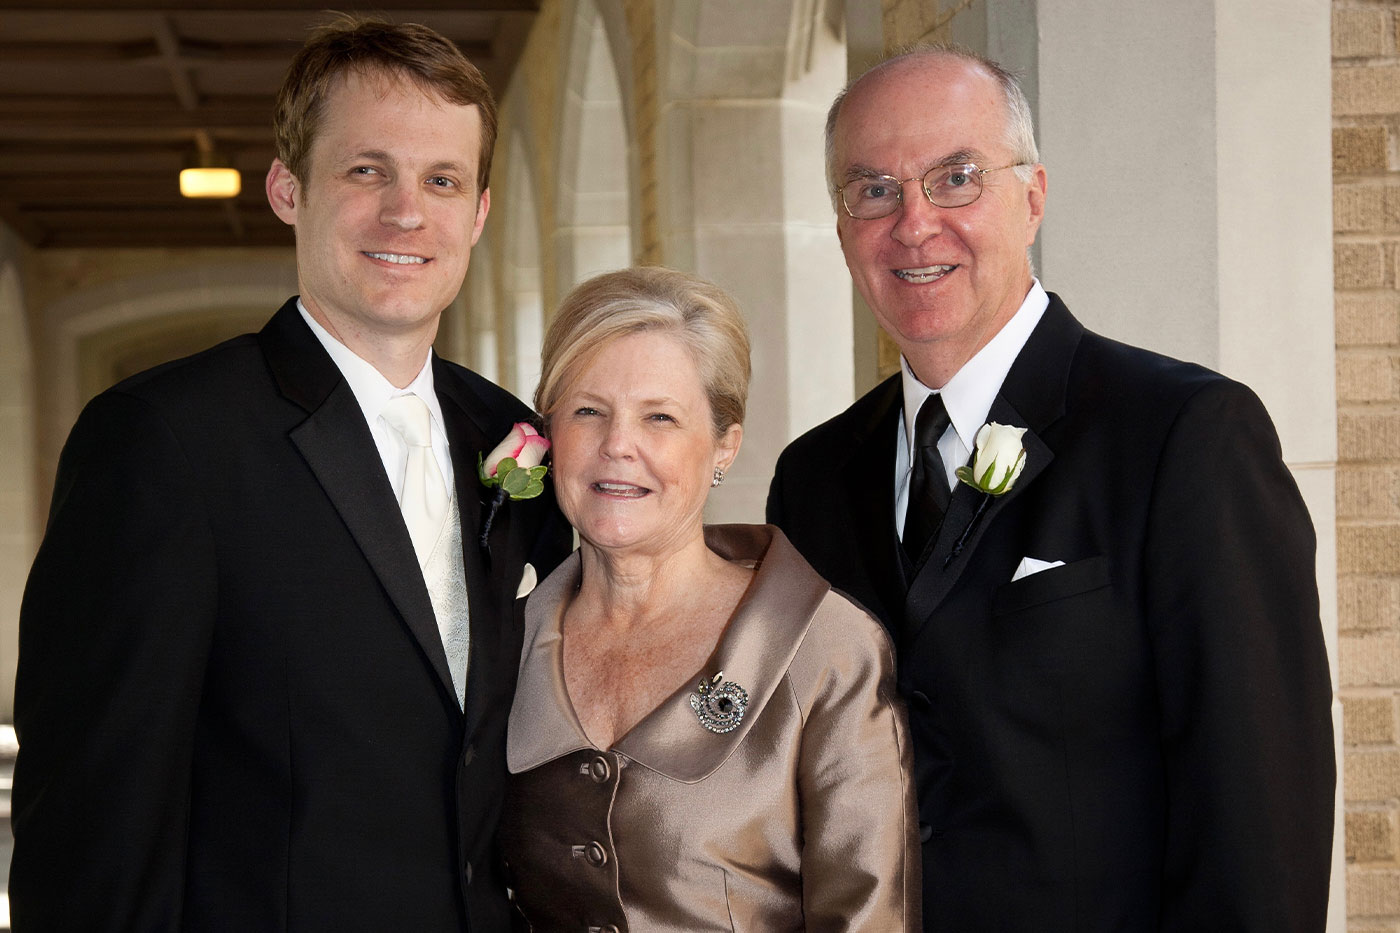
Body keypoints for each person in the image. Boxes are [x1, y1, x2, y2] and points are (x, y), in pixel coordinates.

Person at [9, 16, 571, 931]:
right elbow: (91, 822)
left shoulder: (513, 436)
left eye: (441, 180)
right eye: (366, 170)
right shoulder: (162, 441)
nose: (405, 212)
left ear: (478, 214)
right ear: (287, 189)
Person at [767, 46, 1336, 930]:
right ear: (842, 228)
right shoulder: (812, 479)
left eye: (956, 178)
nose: (914, 224)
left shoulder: (1185, 434)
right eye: (874, 189)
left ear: (1032, 197)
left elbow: (1259, 805)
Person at [498, 266, 920, 931]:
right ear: (550, 430)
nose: (617, 446)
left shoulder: (825, 647)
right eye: (588, 411)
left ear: (725, 446)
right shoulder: (504, 645)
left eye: (659, 417)